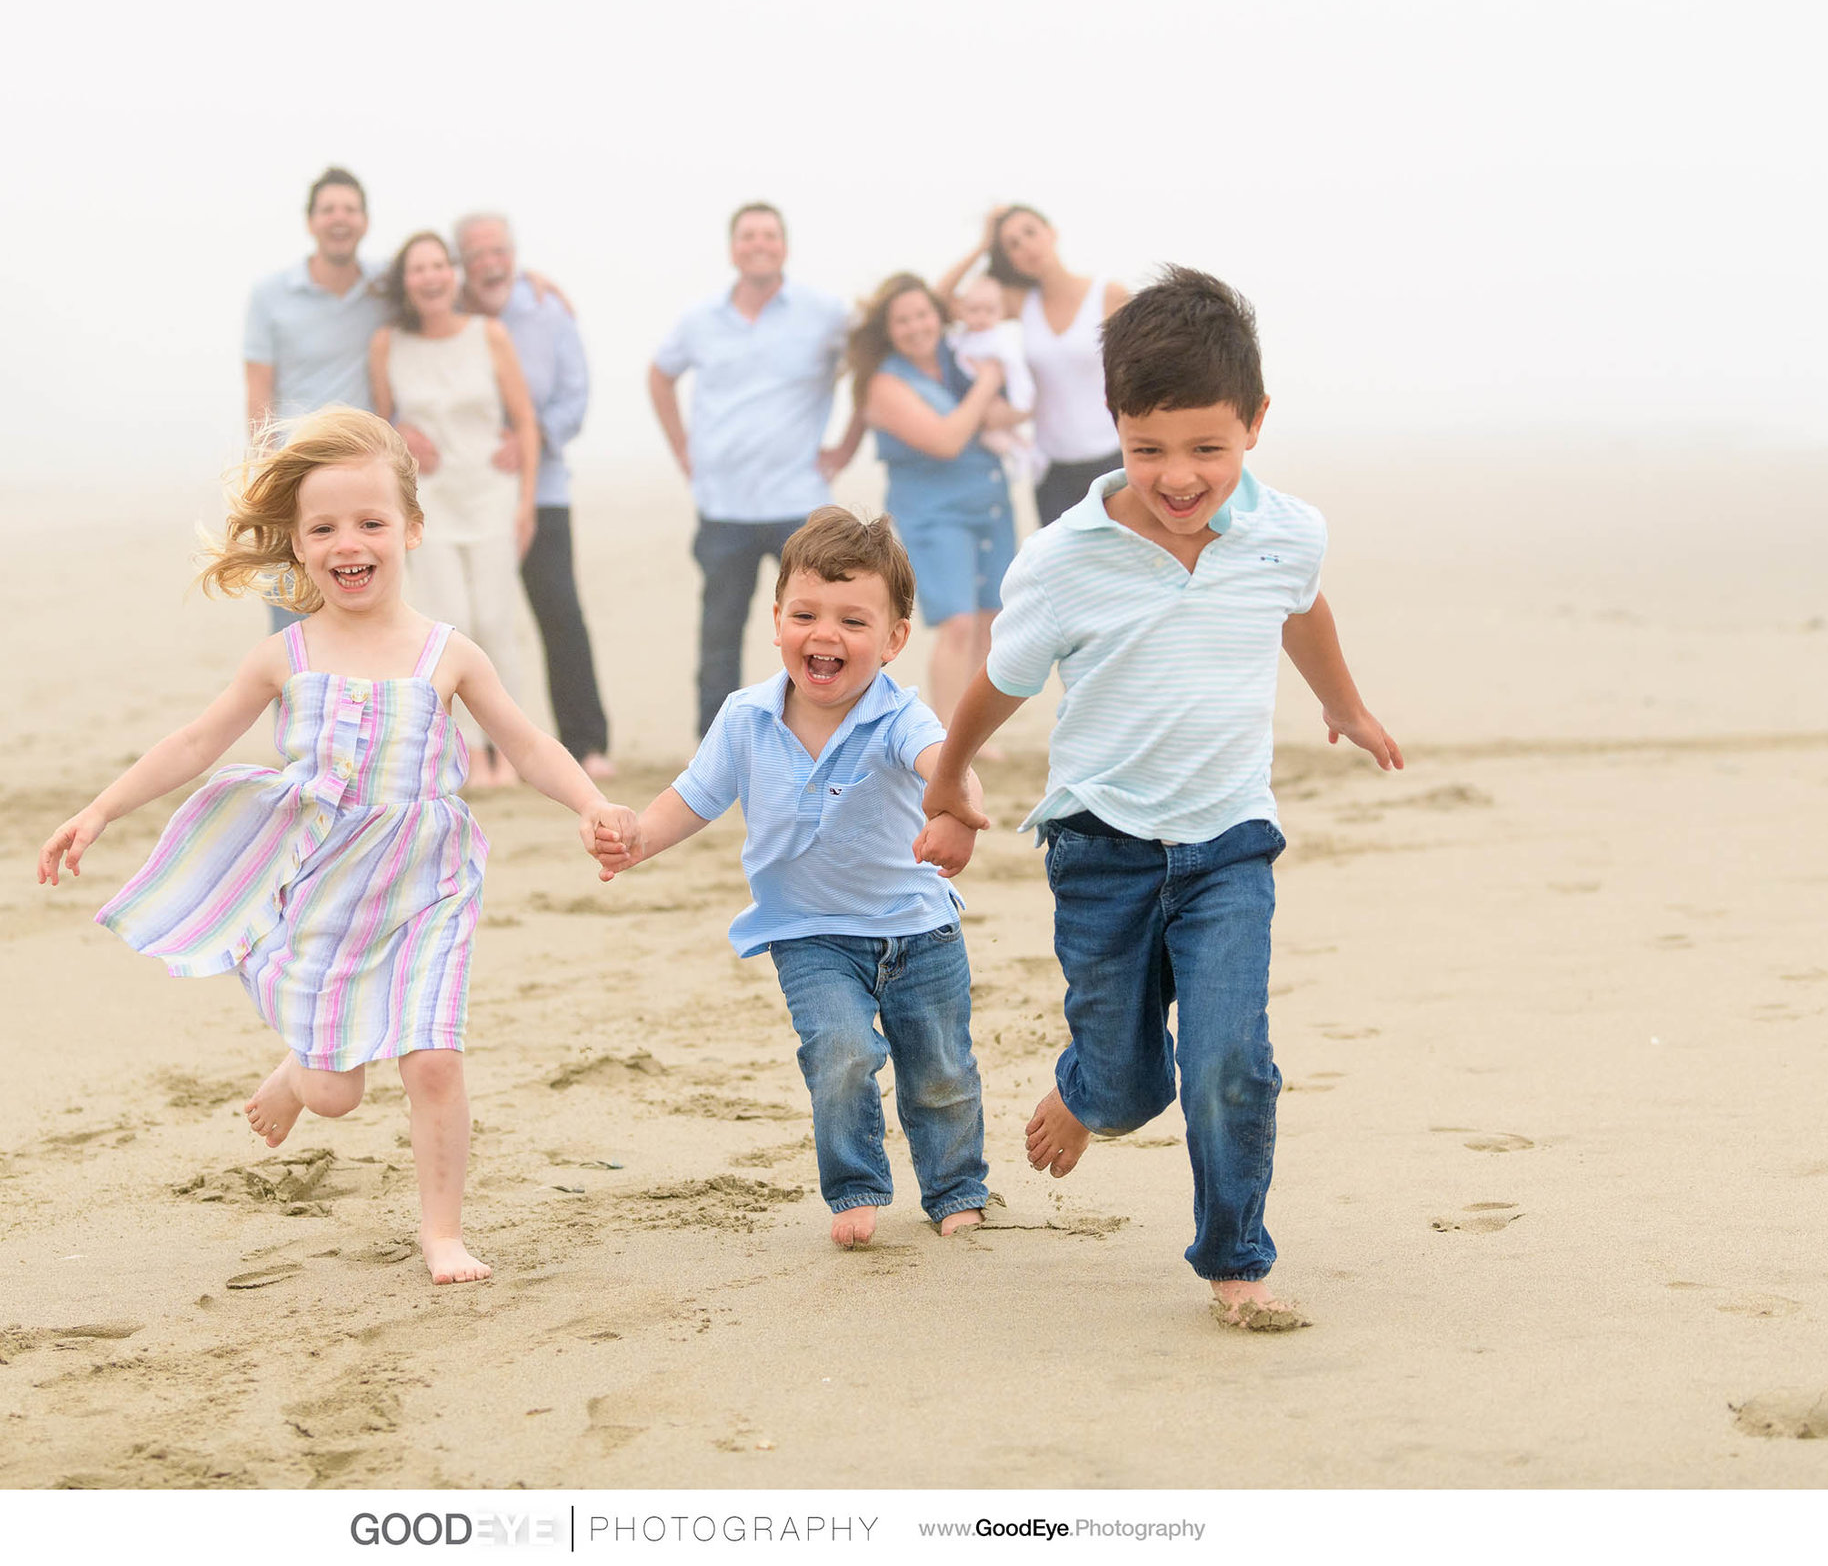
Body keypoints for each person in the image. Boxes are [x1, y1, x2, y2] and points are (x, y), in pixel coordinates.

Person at [35, 408, 635, 1286]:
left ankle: (442, 1232)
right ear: (297, 543)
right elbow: (197, 744)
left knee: (431, 1058)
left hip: (428, 883)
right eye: (323, 528)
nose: (348, 543)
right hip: (325, 892)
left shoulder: (448, 654)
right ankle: (300, 1066)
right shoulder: (286, 656)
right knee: (335, 1094)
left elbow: (533, 744)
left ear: (411, 530)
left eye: (370, 523)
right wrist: (99, 811)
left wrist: (589, 803)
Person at [914, 269, 1403, 1332]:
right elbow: (1000, 684)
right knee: (1135, 1085)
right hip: (1101, 850)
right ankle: (1089, 1090)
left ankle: (1234, 1258)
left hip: (1229, 842)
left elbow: (1301, 609)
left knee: (1231, 1061)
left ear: (1255, 425)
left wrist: (1345, 707)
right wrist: (950, 779)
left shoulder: (1286, 532)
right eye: (1148, 450)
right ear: (1114, 428)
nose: (1179, 478)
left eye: (1206, 449)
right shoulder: (1063, 561)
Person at [592, 509, 991, 1249]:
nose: (825, 634)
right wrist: (639, 837)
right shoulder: (746, 718)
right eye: (805, 614)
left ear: (896, 638)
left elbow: (942, 759)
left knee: (940, 1070)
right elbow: (695, 795)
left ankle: (955, 1186)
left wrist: (956, 807)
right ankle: (857, 1184)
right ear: (776, 620)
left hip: (917, 927)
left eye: (852, 620)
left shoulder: (899, 715)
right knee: (840, 1054)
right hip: (808, 934)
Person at [650, 203, 856, 736]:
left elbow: (874, 357)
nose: (758, 244)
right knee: (720, 634)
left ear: (783, 246)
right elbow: (660, 374)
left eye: (768, 235)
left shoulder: (823, 312)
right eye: (748, 236)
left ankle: (825, 735)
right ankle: (714, 750)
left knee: (819, 630)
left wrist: (848, 443)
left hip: (799, 503)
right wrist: (682, 448)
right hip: (723, 505)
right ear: (732, 247)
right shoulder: (701, 319)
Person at [369, 232, 541, 788]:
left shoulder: (489, 335)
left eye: (439, 265)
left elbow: (525, 421)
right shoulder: (387, 344)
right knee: (449, 626)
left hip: (492, 495)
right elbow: (381, 428)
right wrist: (401, 434)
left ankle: (510, 751)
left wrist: (527, 503)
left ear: (454, 274)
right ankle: (465, 752)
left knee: (495, 622)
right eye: (418, 268)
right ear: (406, 282)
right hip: (427, 505)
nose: (431, 277)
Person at [455, 212, 613, 779]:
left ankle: (587, 745)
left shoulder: (548, 310)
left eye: (499, 250)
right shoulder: (440, 311)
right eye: (475, 254)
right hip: (461, 499)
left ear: (514, 253)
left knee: (560, 614)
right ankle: (474, 751)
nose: (489, 263)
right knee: (470, 620)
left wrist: (533, 439)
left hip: (540, 489)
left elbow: (576, 394)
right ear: (460, 264)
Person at [839, 274, 1019, 732]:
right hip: (935, 516)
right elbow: (945, 440)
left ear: (939, 315)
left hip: (991, 503)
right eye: (902, 320)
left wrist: (983, 242)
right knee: (957, 622)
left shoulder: (957, 356)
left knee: (990, 619)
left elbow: (1004, 413)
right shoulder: (884, 384)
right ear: (888, 329)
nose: (916, 326)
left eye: (923, 314)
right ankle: (945, 733)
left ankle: (977, 733)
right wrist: (990, 383)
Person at [244, 168, 386, 634]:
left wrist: (535, 283)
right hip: (295, 475)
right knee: (292, 631)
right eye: (328, 210)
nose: (339, 218)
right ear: (311, 222)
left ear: (364, 221)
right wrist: (264, 481)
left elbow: (452, 283)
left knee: (363, 623)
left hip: (366, 476)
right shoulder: (270, 296)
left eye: (349, 209)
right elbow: (259, 392)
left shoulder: (386, 288)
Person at [937, 205, 1133, 528]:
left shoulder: (1108, 294)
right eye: (1012, 244)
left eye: (1030, 233)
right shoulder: (1018, 302)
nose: (1025, 246)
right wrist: (983, 244)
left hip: (1115, 462)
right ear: (1009, 259)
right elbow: (942, 301)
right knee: (1062, 576)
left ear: (1051, 233)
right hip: (1052, 471)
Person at [952, 272, 1045, 489]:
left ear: (1001, 312)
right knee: (990, 435)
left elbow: (1016, 372)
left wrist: (1021, 403)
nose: (981, 317)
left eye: (990, 310)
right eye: (974, 310)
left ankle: (1021, 453)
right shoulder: (961, 337)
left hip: (1002, 397)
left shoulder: (1000, 342)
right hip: (977, 397)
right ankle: (1025, 451)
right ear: (961, 310)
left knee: (992, 435)